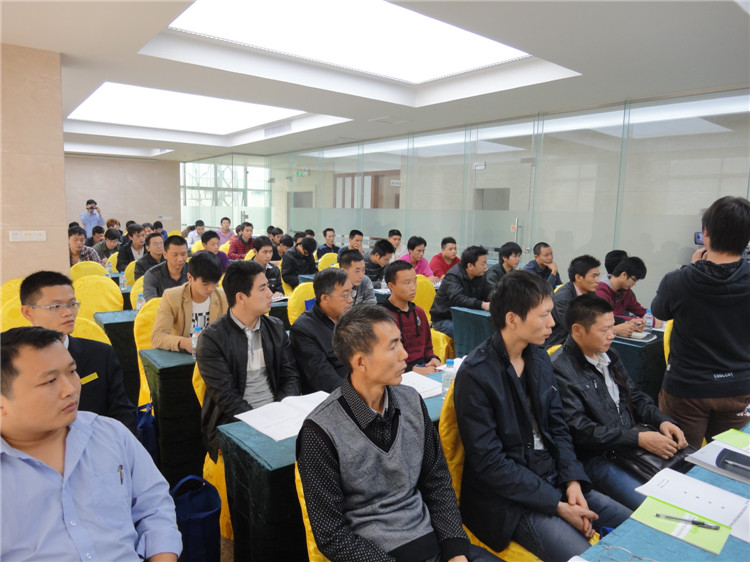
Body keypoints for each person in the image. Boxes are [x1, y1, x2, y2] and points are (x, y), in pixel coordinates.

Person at [297, 305, 501, 562]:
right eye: (392, 346)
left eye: (401, 342)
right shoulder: (320, 431)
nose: (405, 354)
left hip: (434, 543)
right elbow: (331, 534)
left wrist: (455, 550)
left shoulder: (411, 401)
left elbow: (437, 481)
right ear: (360, 362)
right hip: (376, 555)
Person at [454, 271, 631, 562]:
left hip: (555, 478)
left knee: (635, 527)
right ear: (512, 319)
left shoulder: (538, 357)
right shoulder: (476, 374)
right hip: (511, 500)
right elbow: (490, 463)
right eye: (544, 315)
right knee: (588, 557)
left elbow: (559, 427)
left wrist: (572, 481)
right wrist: (557, 506)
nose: (552, 323)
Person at [0, 326, 181, 561]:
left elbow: (154, 506)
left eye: (72, 371)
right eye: (50, 381)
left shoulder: (110, 434)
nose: (71, 389)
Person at [551, 294, 687, 510]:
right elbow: (581, 430)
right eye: (604, 330)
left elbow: (635, 396)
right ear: (577, 330)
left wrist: (662, 421)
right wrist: (638, 439)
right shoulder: (559, 369)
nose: (612, 335)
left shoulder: (609, 355)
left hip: (629, 443)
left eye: (612, 327)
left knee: (688, 477)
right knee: (654, 507)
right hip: (597, 456)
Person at [652, 195, 750, 449]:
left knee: (677, 457)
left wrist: (692, 269)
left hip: (686, 388)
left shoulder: (677, 281)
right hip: (739, 387)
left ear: (706, 232)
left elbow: (660, 312)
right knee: (730, 460)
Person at [196, 260, 300, 461]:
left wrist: (282, 412)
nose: (270, 294)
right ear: (241, 297)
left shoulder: (275, 327)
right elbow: (226, 397)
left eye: (268, 286)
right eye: (262, 288)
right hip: (235, 422)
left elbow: (290, 376)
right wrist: (262, 423)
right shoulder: (212, 339)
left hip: (280, 415)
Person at [19, 271, 137, 433]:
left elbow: (123, 413)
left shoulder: (101, 355)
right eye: (55, 306)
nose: (68, 312)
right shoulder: (13, 363)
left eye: (72, 304)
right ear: (27, 312)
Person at [289, 268, 352, 393]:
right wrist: (358, 398)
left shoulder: (352, 319)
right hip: (336, 397)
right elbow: (324, 379)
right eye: (345, 295)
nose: (350, 299)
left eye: (352, 293)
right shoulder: (303, 329)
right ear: (325, 298)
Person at [151, 252, 228, 353]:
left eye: (215, 283)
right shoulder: (172, 297)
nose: (211, 289)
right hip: (183, 356)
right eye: (205, 284)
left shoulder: (223, 297)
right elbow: (157, 337)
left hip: (213, 355)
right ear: (190, 277)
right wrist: (183, 342)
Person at [381, 261, 441, 375]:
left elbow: (428, 348)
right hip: (397, 374)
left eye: (415, 281)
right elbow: (382, 360)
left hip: (423, 368)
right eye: (407, 283)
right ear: (391, 286)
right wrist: (412, 370)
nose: (413, 288)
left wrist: (433, 358)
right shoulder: (381, 317)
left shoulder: (419, 312)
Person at [430, 246, 491, 338]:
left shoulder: (480, 275)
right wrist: (482, 304)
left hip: (466, 317)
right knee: (470, 334)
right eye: (483, 264)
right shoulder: (453, 276)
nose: (485, 267)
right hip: (445, 319)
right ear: (470, 266)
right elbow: (458, 299)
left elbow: (488, 292)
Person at [545, 255, 602, 348]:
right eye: (594, 276)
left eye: (598, 276)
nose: (598, 281)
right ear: (578, 277)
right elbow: (576, 327)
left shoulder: (590, 293)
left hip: (578, 342)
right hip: (558, 346)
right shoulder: (563, 298)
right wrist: (613, 329)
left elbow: (601, 313)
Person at [595, 256, 651, 324]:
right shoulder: (600, 291)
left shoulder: (625, 291)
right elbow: (608, 317)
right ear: (623, 274)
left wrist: (651, 318)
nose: (634, 284)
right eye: (634, 280)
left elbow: (638, 310)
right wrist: (638, 320)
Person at [143, 235, 189, 301]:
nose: (180, 259)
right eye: (175, 255)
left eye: (183, 254)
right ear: (165, 254)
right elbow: (151, 302)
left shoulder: (194, 271)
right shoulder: (152, 275)